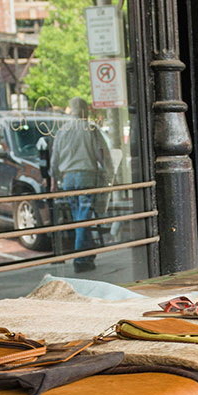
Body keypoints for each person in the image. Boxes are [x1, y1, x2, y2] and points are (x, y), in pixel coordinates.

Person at [52, 96, 112, 272]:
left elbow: (54, 159)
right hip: (86, 177)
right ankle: (81, 259)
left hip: (68, 179)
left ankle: (88, 253)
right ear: (84, 110)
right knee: (83, 218)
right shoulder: (90, 129)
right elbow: (102, 155)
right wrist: (109, 172)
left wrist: (54, 180)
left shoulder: (62, 131)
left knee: (79, 216)